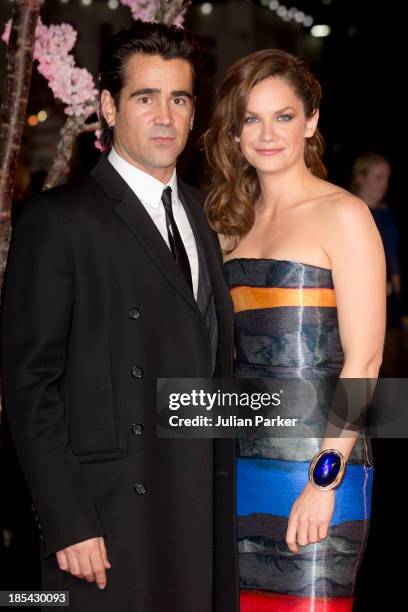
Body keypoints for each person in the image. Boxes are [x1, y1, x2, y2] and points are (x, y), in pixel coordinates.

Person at [0, 22, 238, 612]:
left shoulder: (206, 217)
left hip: (200, 510)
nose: (165, 116)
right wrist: (67, 518)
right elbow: (30, 384)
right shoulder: (58, 220)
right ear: (108, 107)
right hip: (106, 519)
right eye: (145, 97)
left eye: (178, 98)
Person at [204, 49, 385, 611]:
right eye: (251, 119)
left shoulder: (345, 215)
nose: (266, 133)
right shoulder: (228, 226)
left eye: (283, 116)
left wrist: (323, 481)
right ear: (234, 134)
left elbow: (365, 363)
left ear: (309, 122)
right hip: (239, 469)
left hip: (320, 469)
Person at [351, 152, 402, 375]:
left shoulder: (386, 214)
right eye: (378, 177)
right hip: (360, 310)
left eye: (387, 178)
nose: (384, 184)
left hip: (390, 307)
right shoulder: (349, 212)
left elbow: (392, 255)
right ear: (361, 178)